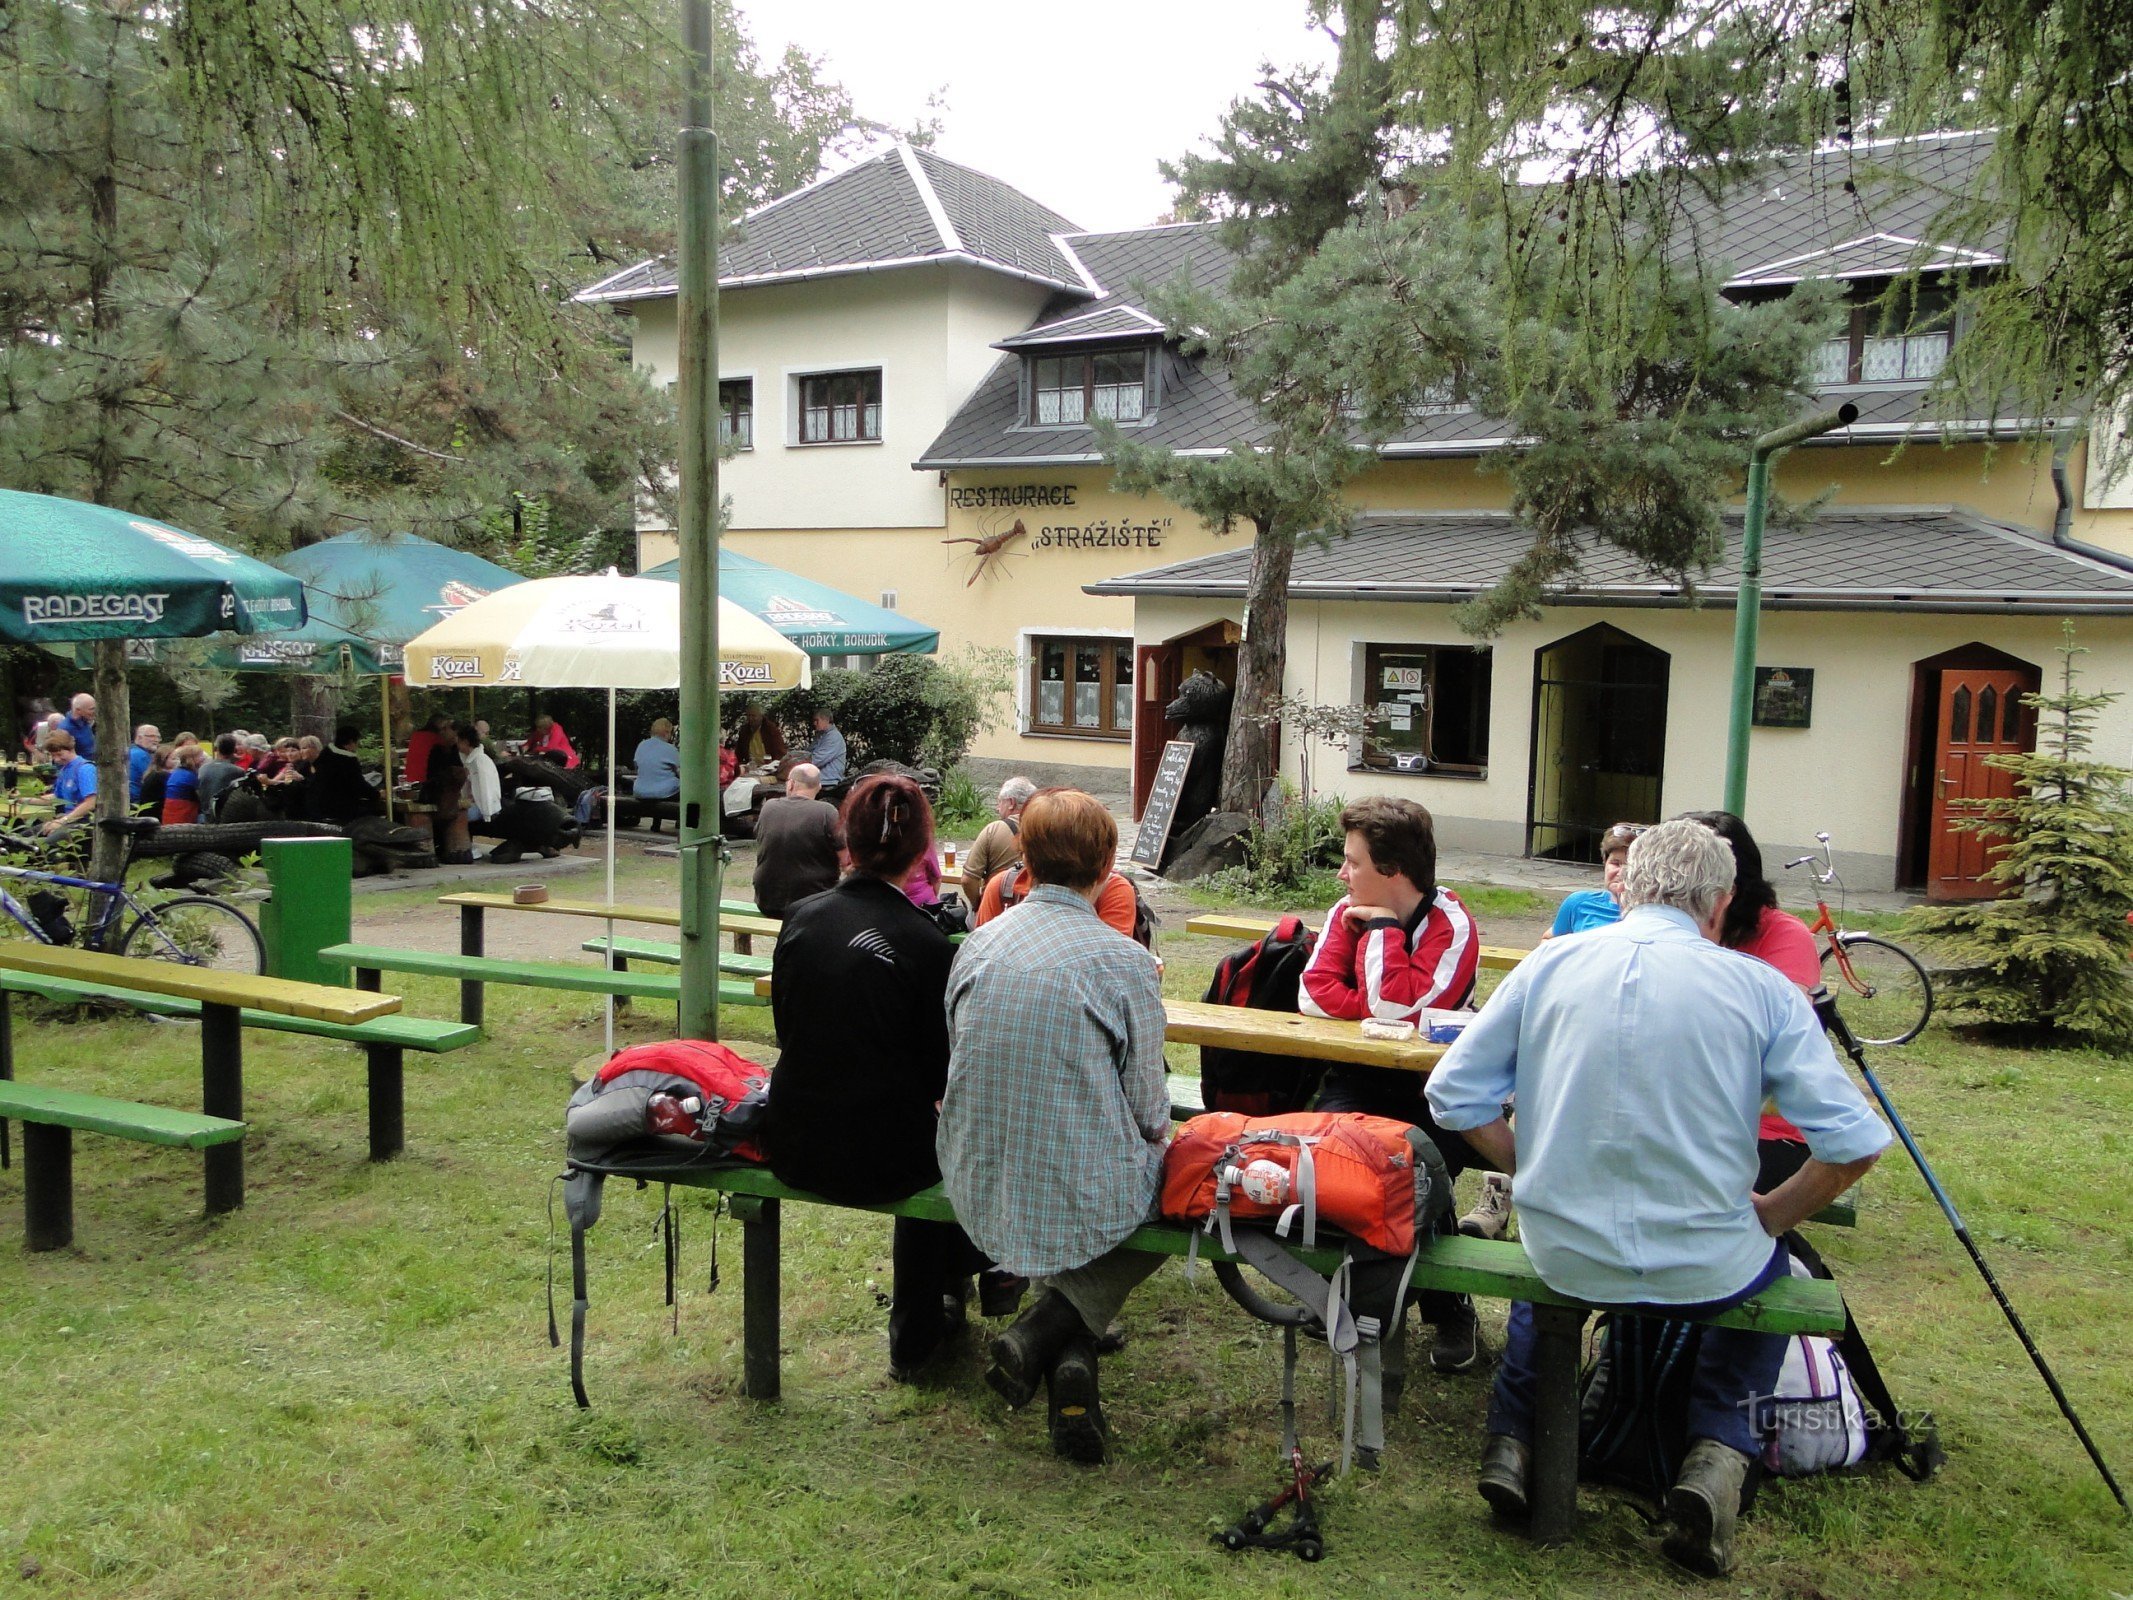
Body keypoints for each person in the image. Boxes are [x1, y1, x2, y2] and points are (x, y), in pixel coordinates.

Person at [1426, 819, 1889, 1575]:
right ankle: (1714, 1457)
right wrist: (1771, 1215)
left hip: (1566, 1248)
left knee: (1543, 1281)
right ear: (1719, 902)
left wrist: (1531, 1164)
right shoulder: (1762, 988)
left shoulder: (1549, 966)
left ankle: (1511, 1442)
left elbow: (1452, 1093)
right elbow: (1855, 1141)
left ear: (1626, 887)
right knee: (1773, 1279)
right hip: (1708, 1261)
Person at [938, 789, 1169, 1465]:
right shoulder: (1124, 962)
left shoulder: (977, 944)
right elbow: (1149, 1112)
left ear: (1023, 860)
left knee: (1071, 1163)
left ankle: (1059, 1352)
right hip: (1058, 1184)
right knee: (1178, 1188)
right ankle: (1048, 1329)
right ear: (1107, 862)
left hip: (974, 1171)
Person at [766, 773, 993, 1381]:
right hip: (886, 1157)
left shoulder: (803, 917)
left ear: (848, 844)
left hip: (791, 1136)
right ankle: (918, 1339)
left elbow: (789, 1030)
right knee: (950, 1147)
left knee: (926, 1136)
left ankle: (948, 1300)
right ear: (924, 851)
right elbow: (940, 1073)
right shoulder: (927, 944)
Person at [1295, 795, 1488, 1373]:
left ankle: (1447, 1308)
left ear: (1393, 872)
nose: (1341, 873)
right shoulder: (1342, 910)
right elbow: (1312, 994)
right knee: (1337, 1158)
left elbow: (1396, 1004)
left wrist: (1380, 930)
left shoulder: (1450, 924)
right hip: (1358, 1078)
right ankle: (1352, 1291)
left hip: (1436, 1092)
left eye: (1352, 862)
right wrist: (1378, 1013)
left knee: (1412, 1175)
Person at [1678, 810, 1826, 1192]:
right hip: (1681, 1117)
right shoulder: (1667, 928)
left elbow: (1775, 1039)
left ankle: (1782, 1250)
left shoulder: (1784, 935)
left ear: (1733, 883)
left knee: (1694, 1193)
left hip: (1764, 1127)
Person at [749, 763, 842, 917]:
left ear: (791, 784)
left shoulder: (769, 807)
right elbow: (846, 855)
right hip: (813, 904)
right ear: (818, 787)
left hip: (768, 902)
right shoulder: (826, 812)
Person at [1547, 822, 1639, 937]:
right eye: (1615, 863)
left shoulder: (1654, 914)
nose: (1621, 872)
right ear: (1605, 863)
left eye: (1630, 865)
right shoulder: (1579, 903)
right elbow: (1549, 940)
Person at [960, 776, 1035, 903]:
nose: (997, 808)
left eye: (1000, 801)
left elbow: (968, 880)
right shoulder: (1044, 829)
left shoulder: (994, 830)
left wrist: (977, 905)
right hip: (1032, 906)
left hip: (997, 906)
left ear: (1011, 803)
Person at [308, 725, 380, 825]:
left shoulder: (325, 754)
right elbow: (358, 784)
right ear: (351, 742)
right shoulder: (348, 761)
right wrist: (377, 794)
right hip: (339, 809)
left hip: (317, 807)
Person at [40, 730, 96, 837]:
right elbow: (56, 798)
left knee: (44, 843)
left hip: (83, 823)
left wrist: (62, 821)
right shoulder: (64, 769)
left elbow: (91, 802)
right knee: (24, 837)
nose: (56, 759)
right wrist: (24, 799)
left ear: (70, 749)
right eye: (53, 756)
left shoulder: (85, 769)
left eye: (60, 754)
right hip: (66, 820)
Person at [457, 724, 502, 828]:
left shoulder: (480, 761)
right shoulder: (468, 761)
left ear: (466, 742)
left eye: (459, 741)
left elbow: (485, 788)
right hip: (475, 804)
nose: (457, 744)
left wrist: (487, 813)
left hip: (485, 808)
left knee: (456, 817)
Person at [631, 718, 681, 802]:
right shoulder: (671, 749)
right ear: (667, 732)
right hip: (665, 792)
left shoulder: (641, 745)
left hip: (640, 792)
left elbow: (637, 767)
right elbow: (681, 773)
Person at [198, 734, 244, 818]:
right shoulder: (238, 771)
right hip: (224, 815)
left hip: (204, 814)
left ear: (216, 748)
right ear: (234, 750)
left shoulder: (203, 768)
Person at [727, 703, 786, 768]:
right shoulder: (745, 730)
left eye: (753, 716)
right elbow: (739, 753)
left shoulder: (770, 730)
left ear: (761, 716)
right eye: (748, 716)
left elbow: (780, 752)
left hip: (769, 767)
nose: (750, 718)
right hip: (751, 767)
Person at [161, 744, 205, 824]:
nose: (203, 758)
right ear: (192, 758)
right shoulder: (189, 776)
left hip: (169, 814)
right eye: (200, 756)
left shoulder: (177, 772)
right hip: (182, 814)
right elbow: (201, 797)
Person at [403, 714, 450, 785]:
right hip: (425, 780)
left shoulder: (416, 735)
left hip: (409, 777)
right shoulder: (436, 738)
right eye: (445, 728)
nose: (446, 730)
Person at [805, 708, 846, 786]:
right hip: (819, 780)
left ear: (826, 720)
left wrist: (795, 764)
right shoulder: (821, 735)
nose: (814, 723)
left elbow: (816, 760)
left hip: (828, 782)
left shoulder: (833, 737)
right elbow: (808, 753)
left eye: (817, 720)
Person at [136, 743, 176, 813]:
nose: (177, 761)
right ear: (164, 759)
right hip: (155, 814)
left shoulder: (152, 773)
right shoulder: (161, 776)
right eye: (173, 759)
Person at [57, 694, 96, 761]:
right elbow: (61, 757)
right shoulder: (65, 729)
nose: (95, 712)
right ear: (78, 710)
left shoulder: (85, 722)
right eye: (91, 709)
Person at [127, 724, 161, 802]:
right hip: (136, 802)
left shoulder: (131, 750)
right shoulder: (141, 755)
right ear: (139, 738)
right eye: (152, 736)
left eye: (158, 737)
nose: (156, 740)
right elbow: (153, 779)